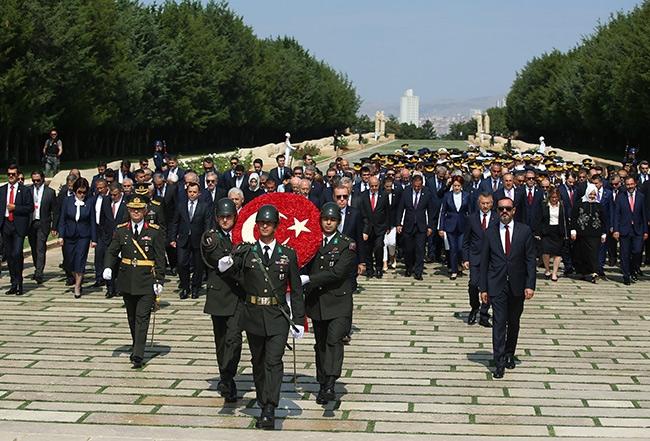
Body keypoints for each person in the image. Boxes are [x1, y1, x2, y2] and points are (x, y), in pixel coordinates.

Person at [225, 205, 304, 429]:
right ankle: (262, 403)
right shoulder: (247, 252)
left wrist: (298, 320)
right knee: (258, 363)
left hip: (277, 316)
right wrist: (225, 264)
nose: (265, 226)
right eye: (262, 223)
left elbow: (296, 290)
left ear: (277, 226)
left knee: (273, 362)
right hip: (253, 316)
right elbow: (232, 273)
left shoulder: (287, 255)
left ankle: (270, 407)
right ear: (257, 225)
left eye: (269, 223)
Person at [301, 202, 355, 405]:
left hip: (338, 301)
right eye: (325, 219)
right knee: (320, 344)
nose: (329, 222)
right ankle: (322, 383)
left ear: (338, 222)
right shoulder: (312, 241)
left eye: (332, 219)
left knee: (334, 341)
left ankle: (331, 381)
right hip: (317, 301)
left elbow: (337, 272)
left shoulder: (345, 244)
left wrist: (310, 279)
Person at [103, 194, 166, 369]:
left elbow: (161, 257)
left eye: (139, 209)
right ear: (129, 210)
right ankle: (136, 343)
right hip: (126, 279)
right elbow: (112, 251)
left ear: (145, 211)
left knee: (142, 316)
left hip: (147, 279)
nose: (136, 212)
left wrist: (160, 280)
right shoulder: (122, 230)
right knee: (131, 316)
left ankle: (138, 354)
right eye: (133, 209)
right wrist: (108, 267)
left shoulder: (154, 231)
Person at [479, 197, 536, 379]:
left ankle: (510, 352)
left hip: (518, 285)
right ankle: (499, 361)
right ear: (497, 211)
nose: (504, 212)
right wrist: (483, 289)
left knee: (513, 322)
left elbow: (530, 260)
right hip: (497, 284)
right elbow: (484, 262)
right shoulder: (490, 232)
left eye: (508, 209)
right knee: (498, 322)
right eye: (501, 209)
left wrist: (530, 285)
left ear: (514, 210)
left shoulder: (524, 231)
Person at [200, 198, 244, 403]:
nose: (225, 220)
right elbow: (219, 260)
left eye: (229, 216)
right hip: (220, 294)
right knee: (221, 341)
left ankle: (227, 376)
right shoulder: (211, 237)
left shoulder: (243, 236)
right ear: (216, 218)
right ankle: (228, 380)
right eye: (222, 217)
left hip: (239, 296)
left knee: (233, 339)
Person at [169, 182, 212, 299]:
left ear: (199, 193)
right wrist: (172, 238)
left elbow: (207, 223)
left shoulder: (204, 206)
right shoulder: (181, 205)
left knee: (198, 265)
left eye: (194, 192)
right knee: (182, 263)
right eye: (190, 192)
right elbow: (175, 222)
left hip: (198, 239)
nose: (192, 194)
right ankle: (185, 287)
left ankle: (195, 288)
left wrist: (207, 238)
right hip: (183, 238)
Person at [57, 177, 97, 298]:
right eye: (80, 192)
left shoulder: (89, 202)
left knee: (80, 259)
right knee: (69, 261)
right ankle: (76, 276)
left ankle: (77, 285)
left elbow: (92, 221)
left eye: (84, 192)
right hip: (69, 235)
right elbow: (62, 219)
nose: (82, 195)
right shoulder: (67, 201)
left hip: (83, 236)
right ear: (75, 191)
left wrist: (94, 239)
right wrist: (61, 236)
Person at [462, 191, 497, 327]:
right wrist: (465, 258)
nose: (485, 206)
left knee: (488, 286)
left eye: (488, 203)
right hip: (475, 257)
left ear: (492, 204)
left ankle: (484, 314)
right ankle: (475, 306)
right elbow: (466, 241)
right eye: (483, 203)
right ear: (478, 203)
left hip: (492, 258)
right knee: (473, 284)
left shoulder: (497, 218)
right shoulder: (471, 218)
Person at [0, 164, 34, 295]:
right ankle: (13, 283)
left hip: (18, 226)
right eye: (8, 174)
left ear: (17, 175)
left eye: (13, 174)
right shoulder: (2, 190)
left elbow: (29, 208)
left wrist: (16, 208)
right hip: (6, 225)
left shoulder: (24, 191)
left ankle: (19, 283)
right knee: (9, 256)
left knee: (16, 253)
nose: (10, 176)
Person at [395, 175, 435, 280]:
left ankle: (418, 271)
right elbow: (400, 209)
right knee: (408, 249)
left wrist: (430, 226)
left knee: (420, 249)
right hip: (408, 225)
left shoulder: (427, 194)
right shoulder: (406, 193)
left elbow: (430, 211)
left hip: (421, 226)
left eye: (419, 186)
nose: (417, 188)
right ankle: (408, 267)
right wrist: (399, 224)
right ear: (412, 184)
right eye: (415, 186)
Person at [613, 176, 648, 285]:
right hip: (625, 229)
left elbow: (644, 215)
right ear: (625, 185)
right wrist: (616, 229)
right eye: (628, 184)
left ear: (635, 184)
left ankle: (634, 268)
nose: (630, 186)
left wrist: (646, 231)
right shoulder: (621, 197)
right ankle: (626, 275)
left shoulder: (641, 197)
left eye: (631, 184)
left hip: (638, 229)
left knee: (637, 251)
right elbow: (616, 214)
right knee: (625, 254)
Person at [570, 183, 607, 283]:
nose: (592, 197)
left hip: (595, 234)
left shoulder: (598, 205)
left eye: (594, 195)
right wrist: (573, 230)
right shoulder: (579, 203)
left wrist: (604, 233)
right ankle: (583, 272)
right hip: (581, 234)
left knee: (593, 254)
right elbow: (574, 217)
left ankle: (594, 272)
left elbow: (603, 220)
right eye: (590, 194)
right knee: (582, 254)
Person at [438, 176, 471, 280]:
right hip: (450, 224)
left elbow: (470, 212)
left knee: (461, 247)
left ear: (461, 186)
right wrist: (441, 228)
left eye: (458, 186)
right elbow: (443, 212)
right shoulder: (447, 196)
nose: (456, 188)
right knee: (453, 248)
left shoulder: (467, 195)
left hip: (463, 224)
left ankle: (459, 264)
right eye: (455, 185)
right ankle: (454, 270)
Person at [27, 170, 56, 284]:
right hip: (31, 223)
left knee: (40, 247)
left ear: (43, 179)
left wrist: (54, 226)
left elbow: (55, 211)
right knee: (33, 247)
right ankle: (36, 267)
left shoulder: (50, 192)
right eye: (34, 181)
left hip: (43, 223)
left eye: (38, 180)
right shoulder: (28, 190)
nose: (36, 183)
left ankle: (39, 272)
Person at [99, 182, 127, 298]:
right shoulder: (106, 201)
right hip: (108, 237)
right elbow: (102, 219)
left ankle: (120, 286)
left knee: (121, 264)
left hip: (122, 238)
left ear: (121, 192)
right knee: (108, 262)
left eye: (115, 195)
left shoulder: (126, 202)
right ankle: (110, 288)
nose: (112, 197)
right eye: (111, 195)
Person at [536, 188, 569, 282]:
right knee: (545, 252)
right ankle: (547, 269)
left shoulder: (562, 205)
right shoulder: (544, 205)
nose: (554, 199)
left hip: (558, 231)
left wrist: (567, 233)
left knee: (557, 253)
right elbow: (539, 219)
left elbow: (565, 220)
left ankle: (554, 273)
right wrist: (538, 233)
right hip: (547, 231)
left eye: (556, 197)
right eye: (552, 197)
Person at [360, 177, 390, 278]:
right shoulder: (363, 195)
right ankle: (369, 269)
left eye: (376, 186)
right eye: (372, 186)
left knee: (378, 247)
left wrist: (388, 226)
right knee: (368, 249)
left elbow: (387, 212)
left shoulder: (384, 195)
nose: (374, 188)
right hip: (367, 228)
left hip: (380, 227)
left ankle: (378, 268)